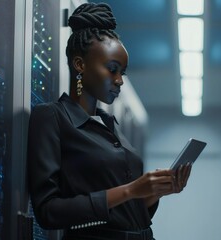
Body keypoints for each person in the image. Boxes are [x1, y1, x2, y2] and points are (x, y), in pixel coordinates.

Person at [27, 3, 192, 240]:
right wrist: (131, 189)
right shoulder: (53, 117)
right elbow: (48, 211)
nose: (119, 81)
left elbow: (125, 210)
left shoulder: (109, 124)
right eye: (112, 69)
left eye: (122, 73)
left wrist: (155, 192)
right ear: (80, 65)